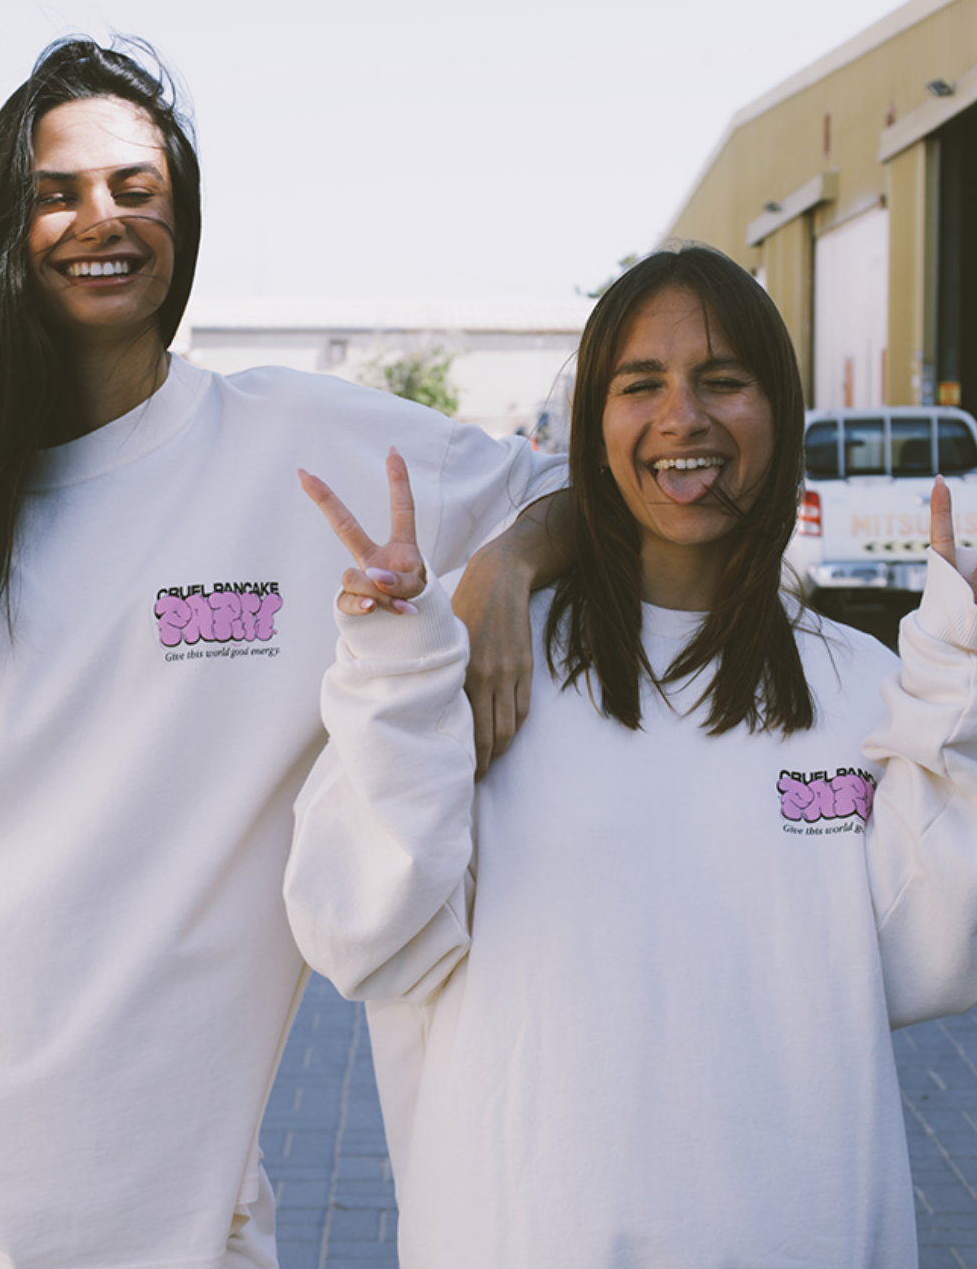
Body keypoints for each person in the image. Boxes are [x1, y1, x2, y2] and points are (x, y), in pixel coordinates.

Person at [0, 39, 569, 1269]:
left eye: (138, 188)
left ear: (182, 219)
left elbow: (568, 486)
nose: (102, 219)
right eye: (58, 191)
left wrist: (503, 574)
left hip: (157, 1199)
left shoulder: (296, 444)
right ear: (5, 229)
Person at [287, 244, 977, 1268]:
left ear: (778, 413)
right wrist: (398, 681)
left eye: (722, 380)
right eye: (639, 384)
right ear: (593, 428)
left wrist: (956, 677)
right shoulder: (491, 665)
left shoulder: (858, 687)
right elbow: (356, 931)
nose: (680, 416)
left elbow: (932, 956)